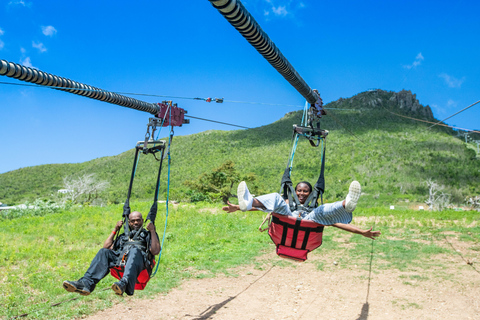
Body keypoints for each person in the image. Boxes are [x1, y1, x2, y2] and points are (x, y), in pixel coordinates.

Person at [223, 181, 381, 239]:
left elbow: (336, 222)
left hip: (308, 221)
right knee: (277, 199)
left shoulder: (315, 209)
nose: (301, 193)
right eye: (299, 190)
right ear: (295, 191)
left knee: (323, 210)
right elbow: (265, 208)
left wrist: (361, 232)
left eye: (305, 191)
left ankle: (347, 204)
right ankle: (249, 200)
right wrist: (238, 207)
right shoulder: (287, 202)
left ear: (311, 193)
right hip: (288, 217)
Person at [62, 211, 160, 296]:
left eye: (138, 220)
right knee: (103, 252)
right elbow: (106, 247)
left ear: (142, 221)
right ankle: (86, 283)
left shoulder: (147, 235)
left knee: (134, 250)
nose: (136, 222)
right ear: (129, 223)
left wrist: (152, 231)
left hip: (140, 265)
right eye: (133, 221)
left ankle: (124, 283)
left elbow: (155, 251)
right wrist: (115, 230)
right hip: (122, 262)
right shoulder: (123, 237)